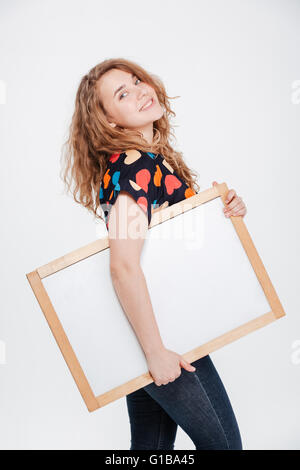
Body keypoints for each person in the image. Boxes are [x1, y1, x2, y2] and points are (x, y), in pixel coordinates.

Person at [61, 58, 247, 450]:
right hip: (163, 338)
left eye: (136, 80)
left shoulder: (150, 160)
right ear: (109, 121)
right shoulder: (133, 166)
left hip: (156, 331)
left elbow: (172, 247)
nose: (141, 91)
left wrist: (221, 211)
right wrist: (156, 353)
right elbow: (123, 265)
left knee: (150, 448)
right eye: (122, 94)